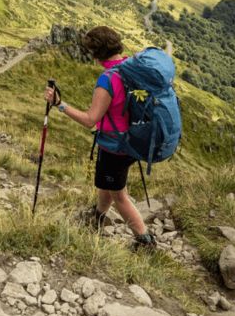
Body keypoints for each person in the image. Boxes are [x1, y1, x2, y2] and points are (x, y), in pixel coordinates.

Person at [44, 25, 156, 249]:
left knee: (119, 196)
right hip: (132, 140)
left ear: (95, 54)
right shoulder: (128, 66)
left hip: (115, 146)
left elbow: (89, 119)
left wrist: (59, 104)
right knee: (105, 184)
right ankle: (96, 217)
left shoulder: (107, 79)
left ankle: (145, 241)